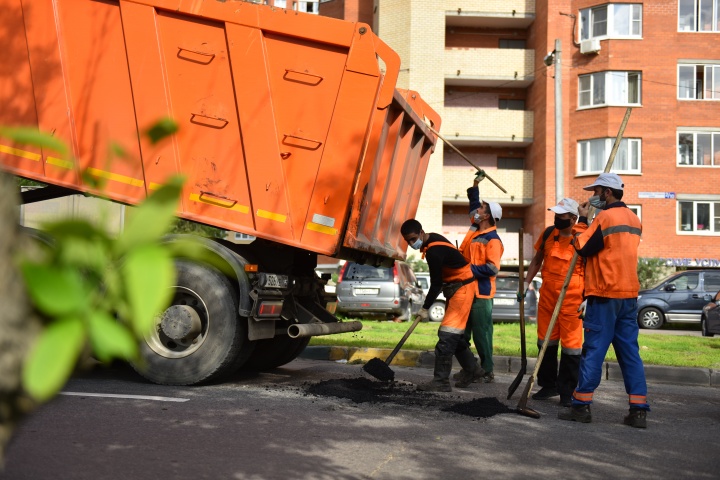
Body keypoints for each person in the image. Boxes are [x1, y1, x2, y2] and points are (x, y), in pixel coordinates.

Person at [558, 173, 649, 428]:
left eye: (597, 191)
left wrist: (583, 220)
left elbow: (582, 247)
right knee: (630, 353)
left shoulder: (605, 217)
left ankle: (581, 406)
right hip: (628, 294)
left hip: (604, 293)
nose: (594, 195)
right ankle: (638, 409)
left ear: (607, 193)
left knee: (594, 351)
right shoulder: (634, 218)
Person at [400, 218, 482, 392]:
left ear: (421, 232)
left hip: (463, 289)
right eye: (408, 241)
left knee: (447, 336)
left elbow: (436, 284)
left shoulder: (434, 251)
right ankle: (473, 369)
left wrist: (424, 308)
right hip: (457, 287)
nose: (411, 243)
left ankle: (441, 382)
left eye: (413, 239)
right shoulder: (432, 240)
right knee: (455, 335)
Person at [522, 198, 586, 407]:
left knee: (571, 348)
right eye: (556, 215)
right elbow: (537, 259)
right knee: (545, 343)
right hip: (548, 296)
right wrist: (526, 282)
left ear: (573, 218)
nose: (557, 218)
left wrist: (589, 298)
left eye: (562, 216)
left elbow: (593, 268)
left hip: (572, 299)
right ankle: (548, 385)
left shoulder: (582, 237)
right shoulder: (549, 234)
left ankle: (567, 391)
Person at [454, 170, 504, 386]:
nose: (477, 210)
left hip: (481, 294)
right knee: (461, 334)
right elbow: (473, 205)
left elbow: (492, 268)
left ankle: (488, 371)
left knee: (481, 335)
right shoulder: (476, 230)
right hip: (465, 290)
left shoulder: (493, 239)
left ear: (487, 216)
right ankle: (470, 369)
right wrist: (475, 184)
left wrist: (466, 270)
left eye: (482, 209)